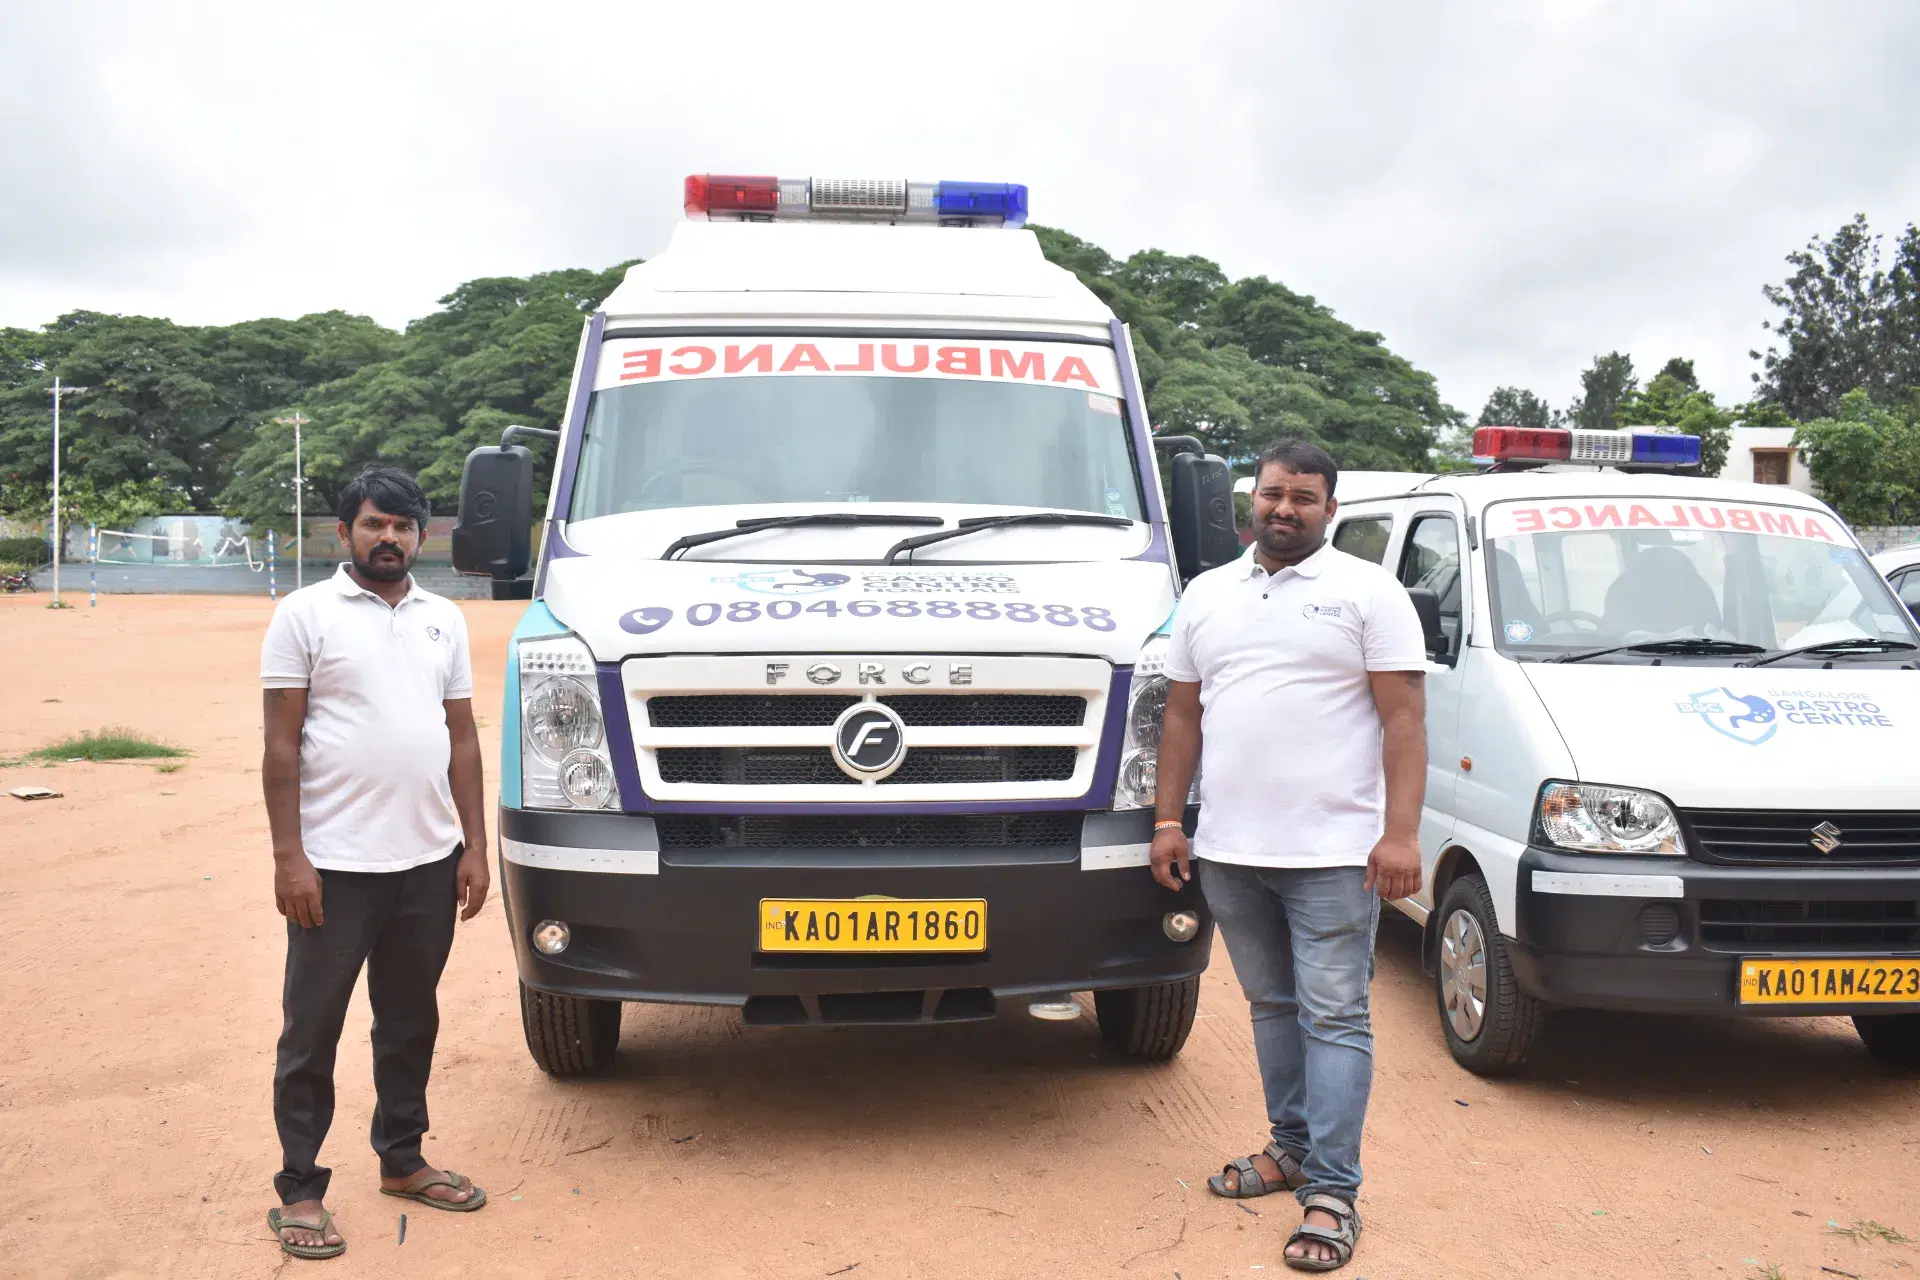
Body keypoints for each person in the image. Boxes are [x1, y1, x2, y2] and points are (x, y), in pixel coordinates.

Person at [1149, 438, 1428, 1273]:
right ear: (1253, 499)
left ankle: (1333, 1190)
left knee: (1335, 1014)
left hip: (1336, 852)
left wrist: (1402, 835)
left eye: (1305, 497)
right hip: (1231, 847)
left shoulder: (1368, 592)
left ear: (1330, 508)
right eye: (1274, 493)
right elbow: (1182, 720)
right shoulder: (1207, 593)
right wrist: (1170, 821)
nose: (1285, 509)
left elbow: (1405, 721)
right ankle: (1292, 1147)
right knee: (1271, 1007)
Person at [258, 466, 492, 1260]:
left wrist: (474, 846)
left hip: (427, 864)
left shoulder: (443, 619)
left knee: (409, 1020)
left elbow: (461, 736)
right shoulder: (305, 614)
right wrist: (291, 859)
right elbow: (281, 747)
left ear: (421, 537)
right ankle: (299, 1188)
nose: (387, 538)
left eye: (402, 526)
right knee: (312, 1029)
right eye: (373, 524)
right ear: (345, 532)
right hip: (334, 866)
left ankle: (402, 1158)